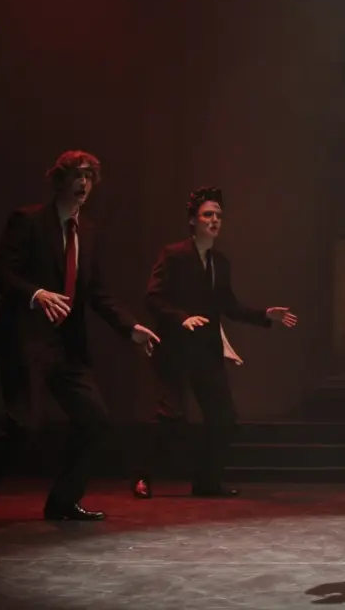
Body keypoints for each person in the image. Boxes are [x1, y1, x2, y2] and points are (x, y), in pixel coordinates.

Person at [0, 151, 160, 527]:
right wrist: (37, 294)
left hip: (66, 346)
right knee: (23, 426)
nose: (84, 183)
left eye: (90, 177)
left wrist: (130, 327)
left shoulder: (89, 232)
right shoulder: (29, 220)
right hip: (25, 340)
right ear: (60, 181)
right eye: (77, 176)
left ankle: (64, 501)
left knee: (95, 421)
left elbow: (97, 292)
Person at [132, 186, 297, 499]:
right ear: (193, 220)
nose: (215, 220)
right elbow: (153, 297)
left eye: (219, 215)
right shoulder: (174, 254)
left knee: (223, 417)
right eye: (208, 214)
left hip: (206, 351)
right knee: (169, 416)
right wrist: (181, 317)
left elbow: (229, 306)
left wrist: (266, 315)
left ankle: (206, 481)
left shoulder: (220, 262)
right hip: (176, 349)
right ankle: (142, 476)